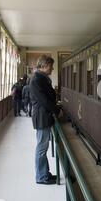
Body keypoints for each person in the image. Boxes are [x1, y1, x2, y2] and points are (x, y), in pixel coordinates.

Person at [29, 55, 60, 185]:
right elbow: (44, 100)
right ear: (44, 65)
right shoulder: (36, 80)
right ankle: (41, 177)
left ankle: (45, 173)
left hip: (44, 116)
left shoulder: (41, 78)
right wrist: (57, 110)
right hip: (42, 117)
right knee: (41, 148)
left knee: (43, 148)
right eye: (51, 66)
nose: (52, 69)